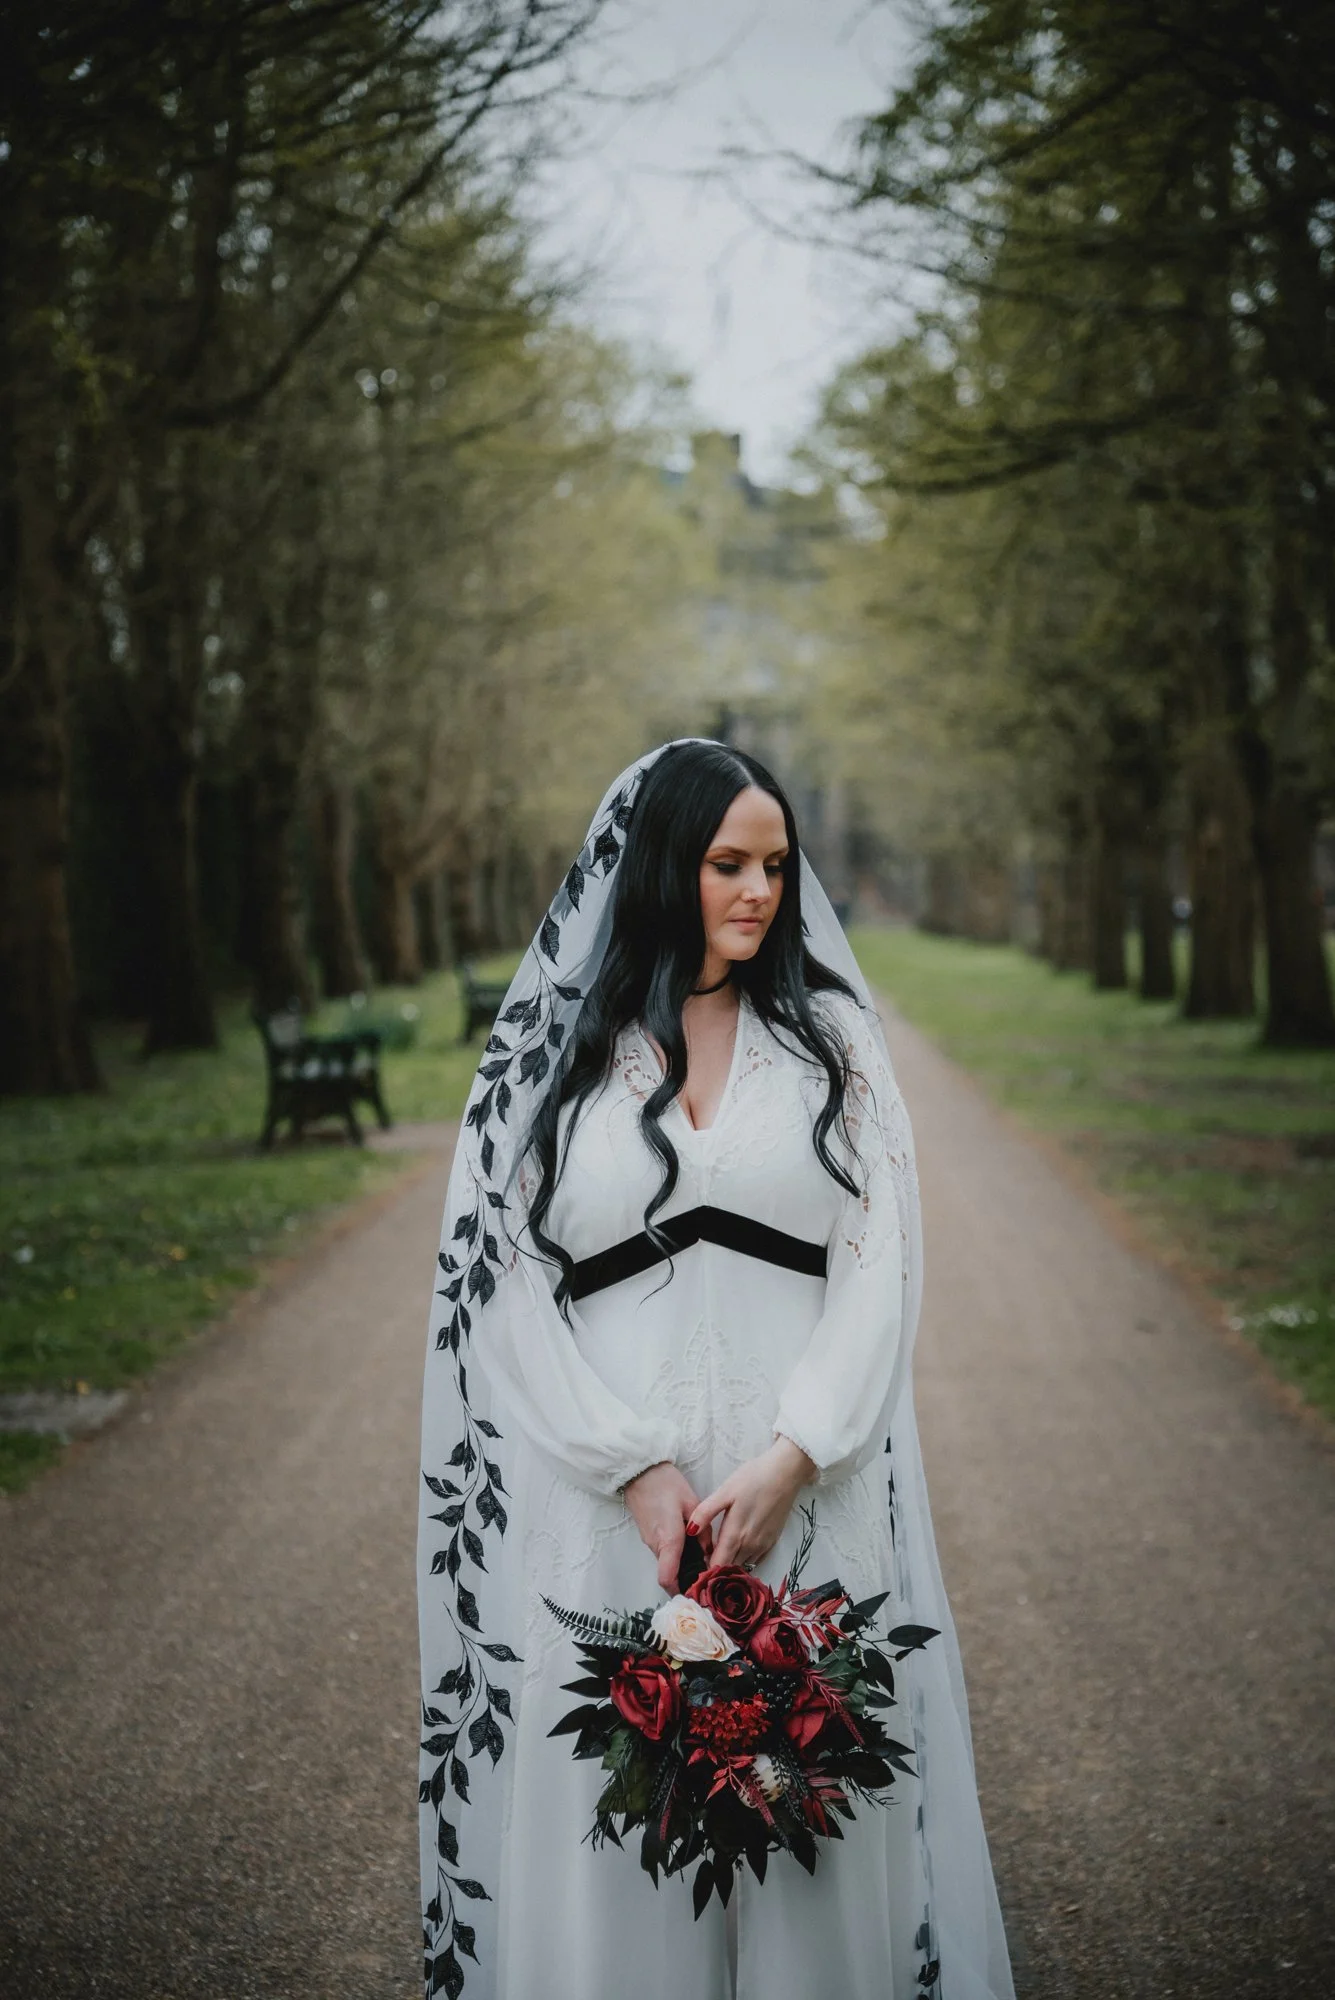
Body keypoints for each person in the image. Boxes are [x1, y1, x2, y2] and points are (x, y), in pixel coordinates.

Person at [417, 739, 1015, 2000]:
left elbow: (880, 1264)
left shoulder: (833, 1042)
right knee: (615, 1838)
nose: (760, 891)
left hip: (800, 1494)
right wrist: (629, 1465)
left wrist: (798, 1453)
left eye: (777, 866)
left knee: (809, 1831)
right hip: (611, 1515)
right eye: (728, 863)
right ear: (659, 866)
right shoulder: (553, 1056)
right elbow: (503, 1285)